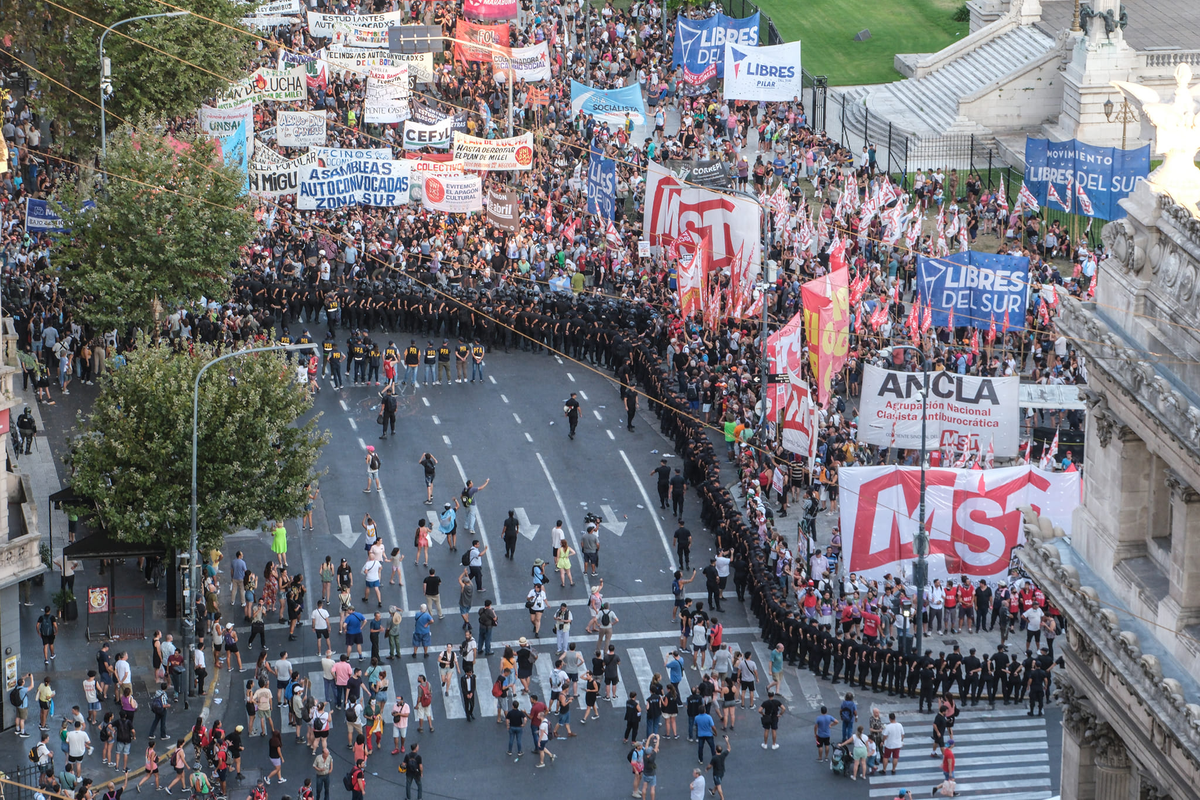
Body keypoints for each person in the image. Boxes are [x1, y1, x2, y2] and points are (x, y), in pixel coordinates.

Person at [882, 711, 905, 775]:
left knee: (886, 757)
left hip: (889, 744)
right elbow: (902, 734)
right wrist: (901, 741)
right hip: (897, 744)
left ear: (889, 719)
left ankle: (884, 769)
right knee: (895, 757)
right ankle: (893, 769)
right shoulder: (899, 725)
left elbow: (885, 736)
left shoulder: (888, 726)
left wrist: (883, 741)